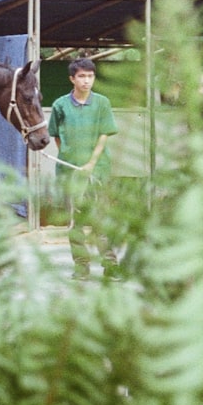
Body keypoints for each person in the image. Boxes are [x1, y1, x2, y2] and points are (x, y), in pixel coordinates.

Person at [47, 57, 120, 280]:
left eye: (90, 76)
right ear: (72, 79)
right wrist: (69, 158)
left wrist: (90, 164)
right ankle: (81, 267)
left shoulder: (102, 103)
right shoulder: (60, 105)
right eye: (82, 76)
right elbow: (56, 136)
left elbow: (104, 134)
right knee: (76, 223)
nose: (87, 81)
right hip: (71, 172)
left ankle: (111, 266)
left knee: (99, 220)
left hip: (97, 172)